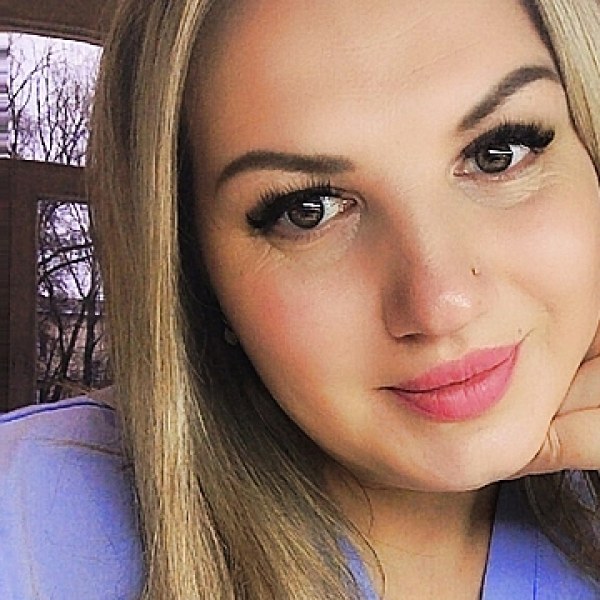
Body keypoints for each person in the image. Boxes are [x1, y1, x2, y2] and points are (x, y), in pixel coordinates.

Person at [2, 0, 600, 598]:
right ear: (196, 275)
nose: (440, 304)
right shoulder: (24, 521)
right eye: (307, 210)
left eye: (499, 153)